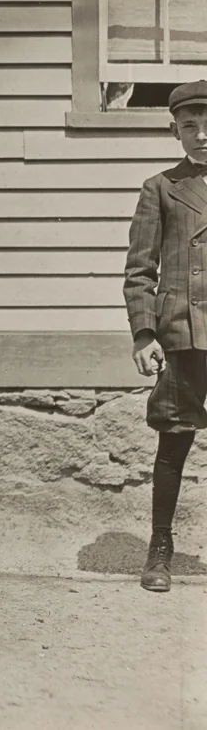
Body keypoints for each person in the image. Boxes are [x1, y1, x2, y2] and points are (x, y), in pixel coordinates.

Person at [123, 79, 207, 593]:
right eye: (190, 125)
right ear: (174, 130)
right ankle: (160, 547)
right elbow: (139, 269)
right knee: (174, 443)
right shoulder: (160, 187)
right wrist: (143, 333)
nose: (202, 135)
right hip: (182, 334)